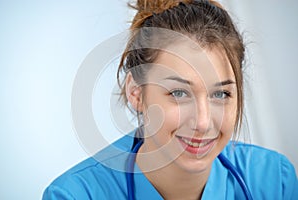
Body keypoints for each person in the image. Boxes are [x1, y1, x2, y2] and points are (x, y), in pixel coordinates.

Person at [43, 0, 298, 199]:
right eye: (178, 93)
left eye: (220, 94)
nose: (203, 122)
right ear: (136, 93)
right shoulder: (75, 195)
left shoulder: (275, 179)